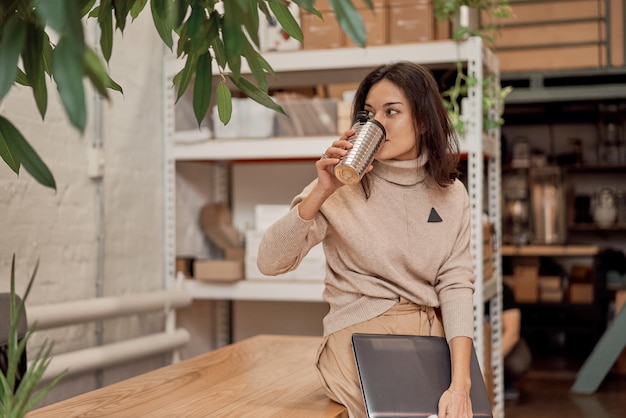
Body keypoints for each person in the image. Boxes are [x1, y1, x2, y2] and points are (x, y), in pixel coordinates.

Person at [257, 61, 477, 418]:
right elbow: (270, 262)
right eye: (369, 113)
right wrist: (321, 191)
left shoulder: (452, 195)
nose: (378, 124)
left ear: (422, 120)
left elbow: (456, 285)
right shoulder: (340, 186)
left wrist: (461, 384)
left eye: (392, 112)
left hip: (429, 336)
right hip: (359, 335)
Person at [494, 282, 532, 401]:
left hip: (497, 343)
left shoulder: (503, 290)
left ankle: (504, 383)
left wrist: (489, 364)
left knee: (518, 363)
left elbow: (512, 333)